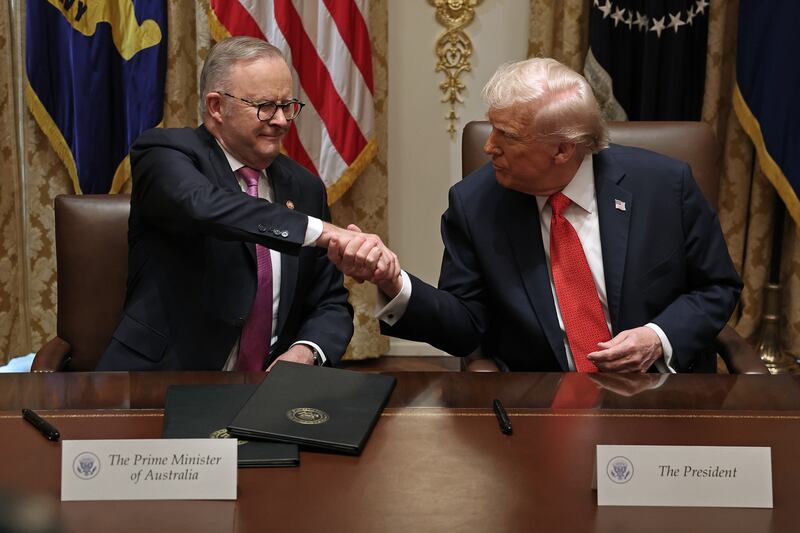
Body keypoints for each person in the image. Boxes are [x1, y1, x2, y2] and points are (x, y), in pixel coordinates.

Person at [330, 58, 742, 373]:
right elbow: (464, 326)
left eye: (506, 136)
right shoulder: (475, 205)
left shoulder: (664, 186)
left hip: (657, 392)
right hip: (543, 402)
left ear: (563, 150)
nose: (489, 147)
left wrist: (658, 337)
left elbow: (717, 287)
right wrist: (392, 281)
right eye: (491, 130)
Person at [96, 37, 395, 371]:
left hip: (267, 395)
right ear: (216, 106)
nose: (281, 120)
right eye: (265, 106)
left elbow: (329, 302)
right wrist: (322, 232)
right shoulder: (165, 153)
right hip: (159, 384)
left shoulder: (305, 187)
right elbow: (204, 206)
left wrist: (305, 352)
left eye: (287, 106)